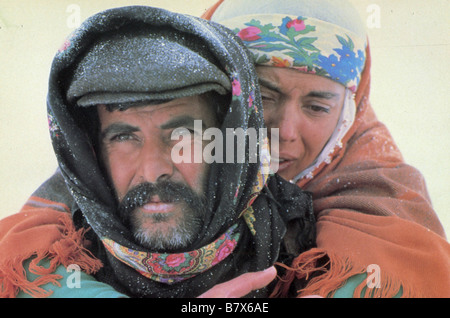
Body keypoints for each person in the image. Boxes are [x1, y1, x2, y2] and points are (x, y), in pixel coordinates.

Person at [0, 6, 315, 298]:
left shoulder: (303, 247)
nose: (153, 170)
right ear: (93, 153)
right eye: (124, 137)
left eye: (184, 136)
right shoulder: (60, 258)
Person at [204, 0, 450, 297]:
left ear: (348, 113)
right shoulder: (151, 158)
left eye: (317, 107)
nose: (285, 131)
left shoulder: (384, 199)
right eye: (264, 96)